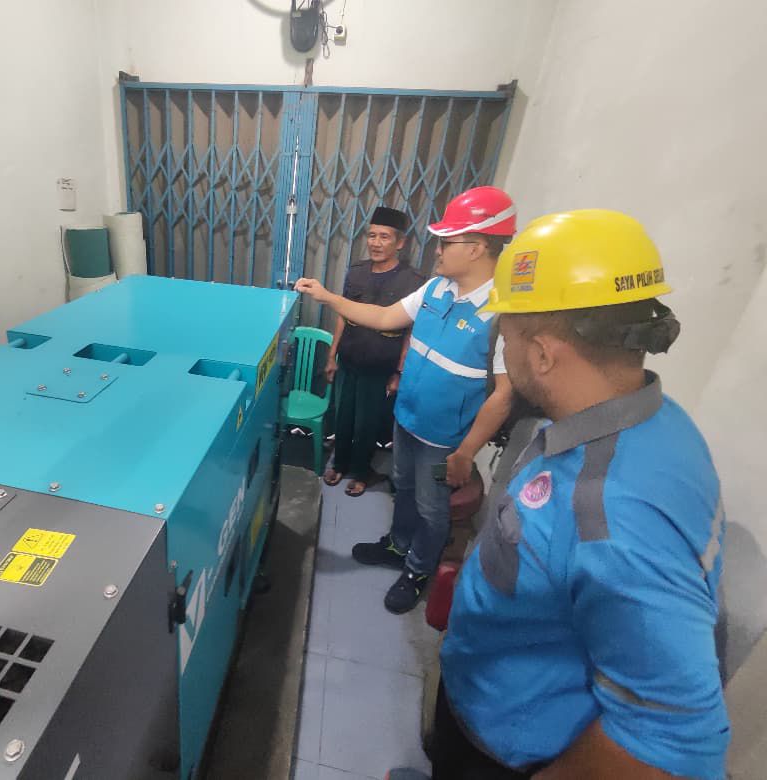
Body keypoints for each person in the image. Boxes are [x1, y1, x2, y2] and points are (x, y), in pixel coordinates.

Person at [433, 209, 728, 779]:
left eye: (506, 335)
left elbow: (672, 743)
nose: (502, 349)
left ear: (543, 354)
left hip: (509, 749)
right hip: (485, 693)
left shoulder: (615, 513)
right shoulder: (655, 423)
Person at [296, 186, 517, 614]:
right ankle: (397, 546)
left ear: (477, 248)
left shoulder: (502, 314)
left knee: (433, 509)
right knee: (405, 488)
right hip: (407, 419)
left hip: (444, 440)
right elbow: (383, 317)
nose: (438, 250)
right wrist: (327, 297)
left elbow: (504, 396)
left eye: (447, 242)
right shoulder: (435, 289)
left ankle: (417, 570)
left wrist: (465, 453)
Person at [324, 206, 423, 497]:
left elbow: (411, 332)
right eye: (371, 236)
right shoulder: (356, 272)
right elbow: (343, 314)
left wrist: (399, 372)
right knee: (343, 417)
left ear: (400, 243)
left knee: (367, 423)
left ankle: (360, 471)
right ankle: (339, 463)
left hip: (380, 367)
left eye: (384, 237)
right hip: (349, 359)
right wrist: (332, 355)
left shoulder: (413, 282)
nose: (376, 243)